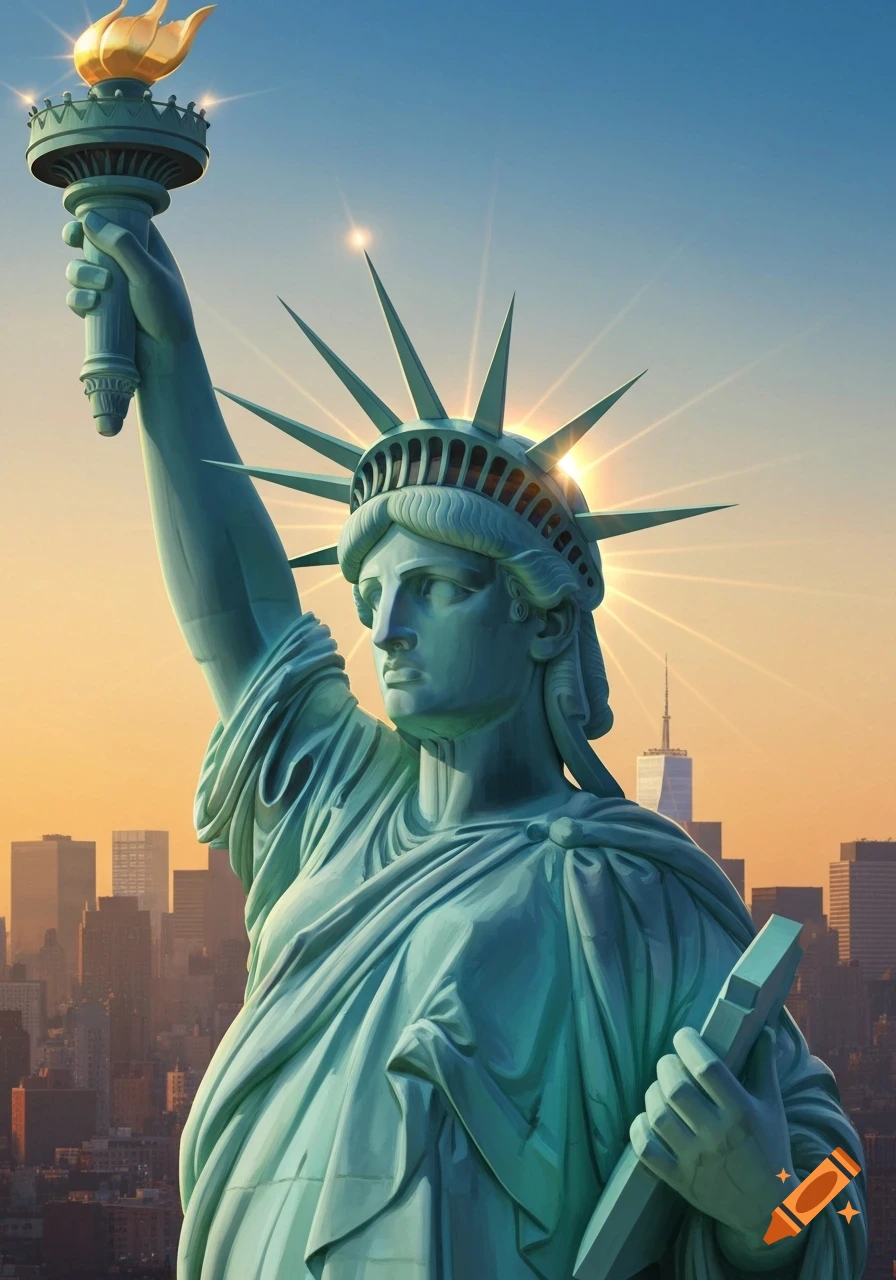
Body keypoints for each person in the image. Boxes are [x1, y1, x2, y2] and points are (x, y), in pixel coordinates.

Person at [62, 211, 867, 1280]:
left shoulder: (627, 892)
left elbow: (840, 1191)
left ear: (541, 620)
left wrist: (760, 1201)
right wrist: (168, 354)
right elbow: (238, 611)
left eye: (432, 588)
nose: (384, 629)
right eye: (372, 593)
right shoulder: (338, 802)